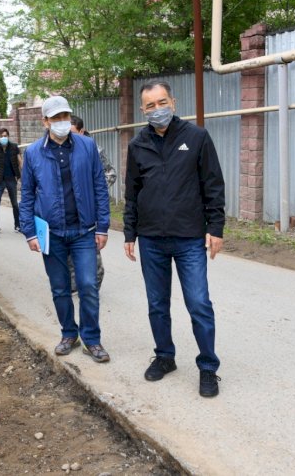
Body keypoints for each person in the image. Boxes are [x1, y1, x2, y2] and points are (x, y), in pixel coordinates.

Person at [123, 81, 226, 398]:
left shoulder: (196, 137)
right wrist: (130, 232)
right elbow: (132, 193)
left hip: (189, 239)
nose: (157, 110)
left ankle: (208, 367)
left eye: (162, 102)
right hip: (151, 239)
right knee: (157, 304)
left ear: (174, 102)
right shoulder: (137, 145)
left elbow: (213, 185)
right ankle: (165, 357)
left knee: (198, 303)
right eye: (150, 106)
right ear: (143, 110)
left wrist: (216, 228)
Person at [19, 95, 111, 363]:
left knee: (88, 285)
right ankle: (69, 334)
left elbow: (99, 187)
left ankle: (92, 339)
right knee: (60, 288)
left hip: (83, 231)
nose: (62, 122)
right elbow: (26, 195)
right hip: (52, 234)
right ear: (45, 122)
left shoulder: (87, 146)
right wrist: (30, 232)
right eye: (56, 118)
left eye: (65, 117)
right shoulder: (34, 153)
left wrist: (102, 226)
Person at [68, 115, 111, 291]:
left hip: (89, 212)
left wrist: (91, 190)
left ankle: (94, 283)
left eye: (72, 132)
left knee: (92, 254)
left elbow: (110, 174)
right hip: (69, 212)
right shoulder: (58, 150)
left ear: (81, 131)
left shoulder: (94, 149)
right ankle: (73, 283)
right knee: (69, 254)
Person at [0, 128, 22, 239]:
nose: (4, 138)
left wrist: (23, 177)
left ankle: (18, 225)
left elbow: (20, 162)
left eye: (6, 135)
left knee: (15, 204)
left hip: (11, 179)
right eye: (2, 136)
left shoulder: (14, 147)